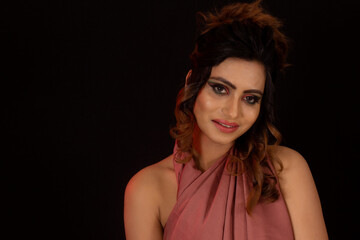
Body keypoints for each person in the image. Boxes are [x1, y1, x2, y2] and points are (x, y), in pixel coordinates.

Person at [124, 1, 328, 239]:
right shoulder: (147, 190)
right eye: (220, 89)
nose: (233, 112)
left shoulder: (287, 170)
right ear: (192, 82)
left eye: (250, 98)